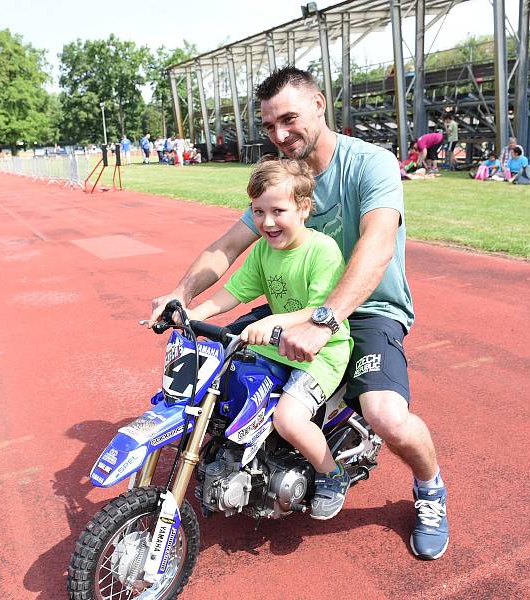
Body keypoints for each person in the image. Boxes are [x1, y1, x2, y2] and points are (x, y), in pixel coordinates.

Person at [148, 66, 450, 560]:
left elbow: (376, 248)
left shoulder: (369, 164)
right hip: (295, 304)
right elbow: (227, 247)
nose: (280, 135)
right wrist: (181, 294)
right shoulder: (283, 185)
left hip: (367, 310)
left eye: (289, 119)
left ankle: (430, 487)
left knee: (386, 416)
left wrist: (324, 319)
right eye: (269, 126)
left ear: (319, 105)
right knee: (213, 359)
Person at [181, 156, 353, 519]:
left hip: (321, 352)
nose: (267, 222)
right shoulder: (262, 249)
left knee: (289, 419)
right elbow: (235, 291)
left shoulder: (321, 250)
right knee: (226, 385)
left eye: (278, 210)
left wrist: (274, 320)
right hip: (278, 348)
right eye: (258, 212)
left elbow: (320, 310)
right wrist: (196, 312)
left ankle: (331, 474)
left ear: (304, 207)